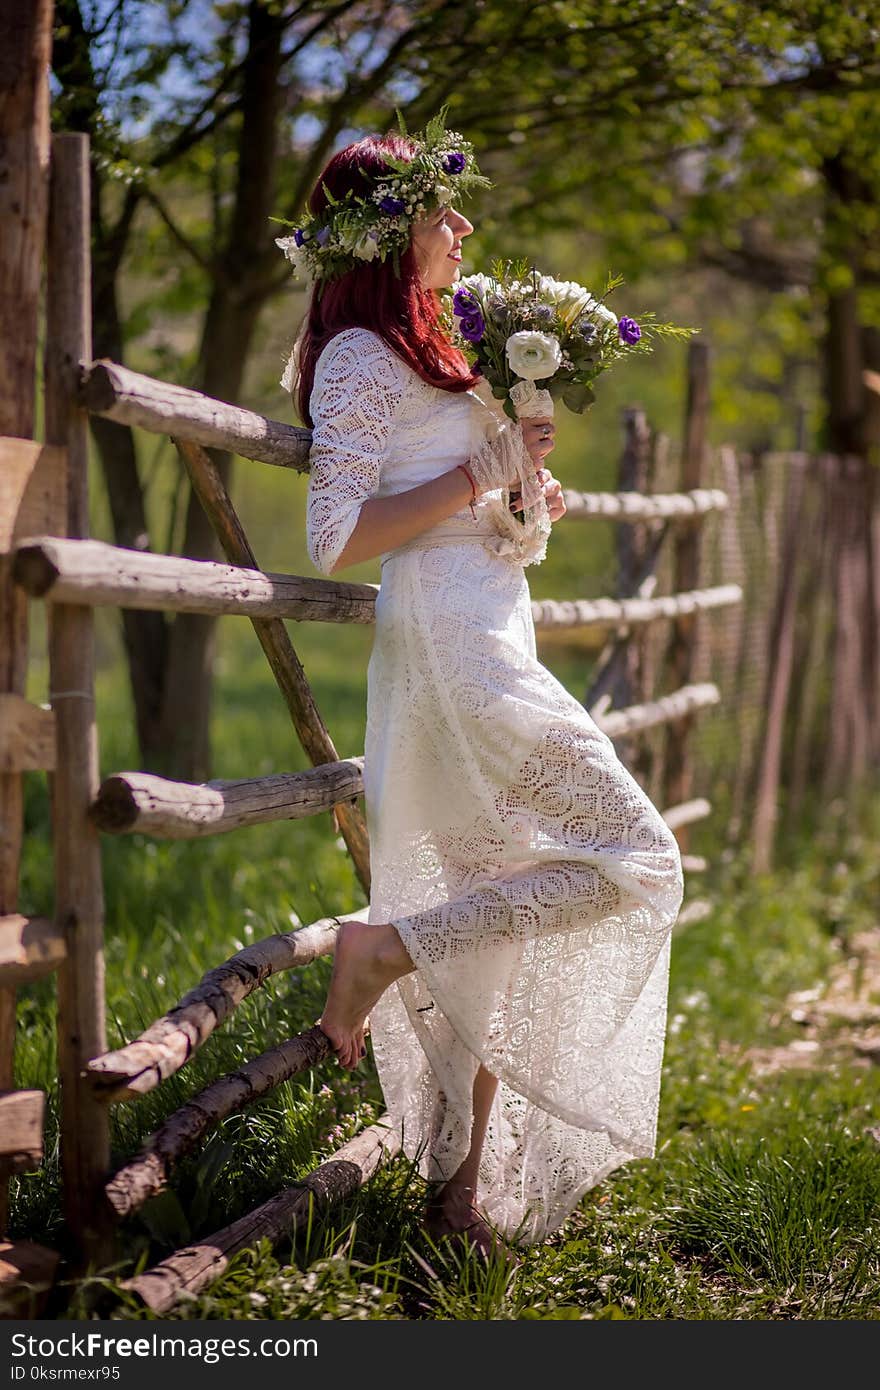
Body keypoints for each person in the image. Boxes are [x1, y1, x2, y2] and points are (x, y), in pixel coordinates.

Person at [277, 113, 684, 1259]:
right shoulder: (358, 358)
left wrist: (518, 502)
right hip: (455, 654)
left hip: (490, 626)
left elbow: (471, 518)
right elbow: (337, 535)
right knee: (639, 856)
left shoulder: (435, 354)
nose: (462, 228)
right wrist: (475, 473)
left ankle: (454, 1203)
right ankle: (388, 948)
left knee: (494, 915)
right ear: (389, 232)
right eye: (440, 212)